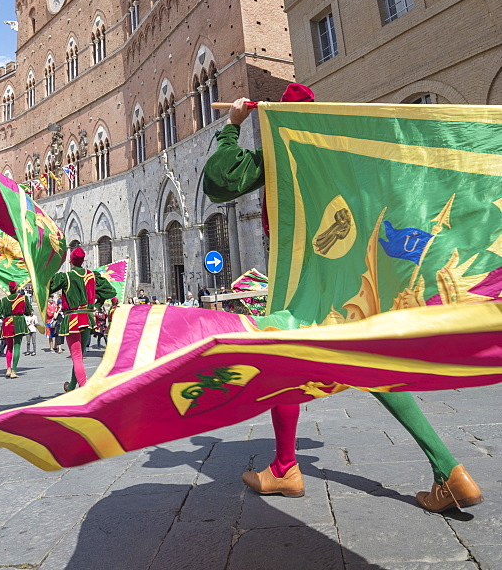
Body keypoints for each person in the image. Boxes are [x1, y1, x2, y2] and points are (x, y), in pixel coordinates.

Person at [203, 87, 483, 513]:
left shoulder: (285, 153)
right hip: (353, 275)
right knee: (369, 361)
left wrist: (232, 127)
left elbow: (220, 183)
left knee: (285, 351)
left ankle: (284, 468)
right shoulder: (345, 153)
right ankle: (449, 469)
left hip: (303, 279)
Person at [50, 247, 115, 392]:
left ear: (71, 261)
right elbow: (111, 291)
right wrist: (96, 304)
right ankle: (72, 386)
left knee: (77, 357)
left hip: (72, 319)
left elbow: (46, 289)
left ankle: (84, 390)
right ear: (83, 260)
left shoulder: (66, 277)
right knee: (80, 355)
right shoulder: (92, 276)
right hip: (87, 317)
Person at [0, 281, 31, 378]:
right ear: (16, 288)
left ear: (9, 289)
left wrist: (2, 317)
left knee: (9, 347)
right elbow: (28, 312)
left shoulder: (3, 300)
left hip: (7, 323)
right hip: (18, 322)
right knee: (17, 347)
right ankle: (14, 371)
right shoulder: (23, 298)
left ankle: (8, 369)